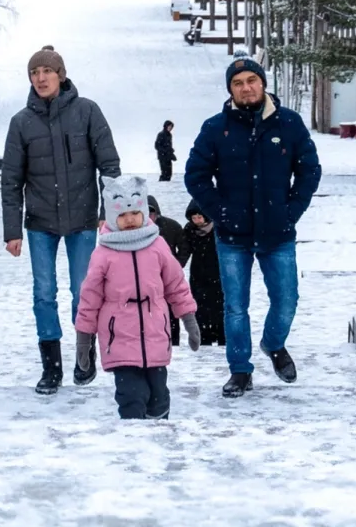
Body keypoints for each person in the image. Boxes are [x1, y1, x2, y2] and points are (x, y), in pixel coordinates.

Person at [184, 57, 322, 398]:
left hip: (278, 233)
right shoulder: (216, 128)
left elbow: (309, 170)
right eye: (238, 83)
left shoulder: (288, 124)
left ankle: (273, 345)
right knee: (235, 306)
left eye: (251, 80)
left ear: (262, 83)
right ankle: (240, 370)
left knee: (287, 300)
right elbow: (195, 175)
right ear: (230, 89)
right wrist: (221, 212)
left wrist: (291, 212)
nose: (246, 88)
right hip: (233, 236)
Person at [2, 45, 121, 395]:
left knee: (83, 292)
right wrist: (12, 230)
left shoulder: (87, 112)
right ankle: (51, 367)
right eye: (35, 73)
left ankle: (84, 356)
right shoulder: (21, 122)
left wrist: (108, 213)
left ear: (61, 75)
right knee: (44, 293)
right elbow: (11, 181)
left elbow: (109, 166)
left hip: (83, 219)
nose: (41, 78)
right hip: (40, 223)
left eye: (47, 71)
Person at [75, 176, 199, 419]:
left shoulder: (158, 245)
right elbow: (89, 299)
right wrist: (84, 338)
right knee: (132, 395)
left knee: (159, 396)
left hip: (155, 335)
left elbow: (176, 285)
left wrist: (188, 319)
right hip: (119, 337)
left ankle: (158, 440)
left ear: (144, 212)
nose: (129, 220)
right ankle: (134, 443)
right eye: (122, 215)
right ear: (112, 217)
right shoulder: (103, 253)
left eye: (134, 213)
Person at [162, 200, 225, 348]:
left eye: (199, 217)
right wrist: (176, 267)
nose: (197, 221)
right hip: (198, 273)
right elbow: (185, 250)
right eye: (194, 218)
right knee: (200, 306)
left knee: (219, 306)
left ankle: (222, 337)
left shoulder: (218, 229)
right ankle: (204, 338)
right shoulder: (190, 230)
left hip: (218, 272)